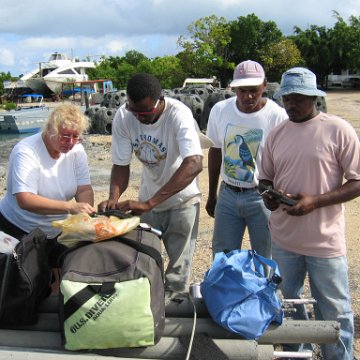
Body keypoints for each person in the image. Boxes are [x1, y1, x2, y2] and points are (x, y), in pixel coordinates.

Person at [259, 67, 360, 360]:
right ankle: (297, 354)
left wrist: (315, 201)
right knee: (288, 305)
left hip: (324, 242)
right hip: (284, 241)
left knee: (335, 310)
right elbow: (264, 177)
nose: (291, 104)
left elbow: (356, 182)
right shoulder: (276, 133)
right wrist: (269, 195)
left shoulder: (338, 129)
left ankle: (337, 357)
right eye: (287, 98)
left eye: (299, 98)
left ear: (314, 98)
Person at [98, 73, 203, 294]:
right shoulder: (124, 116)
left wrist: (150, 203)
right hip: (148, 201)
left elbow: (194, 163)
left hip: (182, 202)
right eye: (134, 111)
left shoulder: (179, 114)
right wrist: (113, 199)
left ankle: (176, 322)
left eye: (146, 113)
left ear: (160, 99)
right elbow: (120, 164)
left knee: (177, 275)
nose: (140, 118)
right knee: (143, 266)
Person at [206, 60, 287, 258]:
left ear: (265, 85)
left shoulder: (277, 116)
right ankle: (227, 290)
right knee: (223, 257)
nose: (247, 96)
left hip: (262, 197)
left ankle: (265, 290)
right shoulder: (220, 110)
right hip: (228, 193)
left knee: (265, 258)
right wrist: (212, 194)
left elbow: (285, 160)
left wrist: (279, 196)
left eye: (253, 90)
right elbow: (215, 151)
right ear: (233, 88)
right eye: (241, 90)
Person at [0, 103, 95, 267]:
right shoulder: (26, 151)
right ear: (50, 128)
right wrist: (70, 207)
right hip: (18, 228)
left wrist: (84, 214)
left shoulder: (77, 150)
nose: (70, 142)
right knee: (24, 283)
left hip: (57, 230)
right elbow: (25, 199)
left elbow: (84, 189)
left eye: (76, 136)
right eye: (64, 136)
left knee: (57, 273)